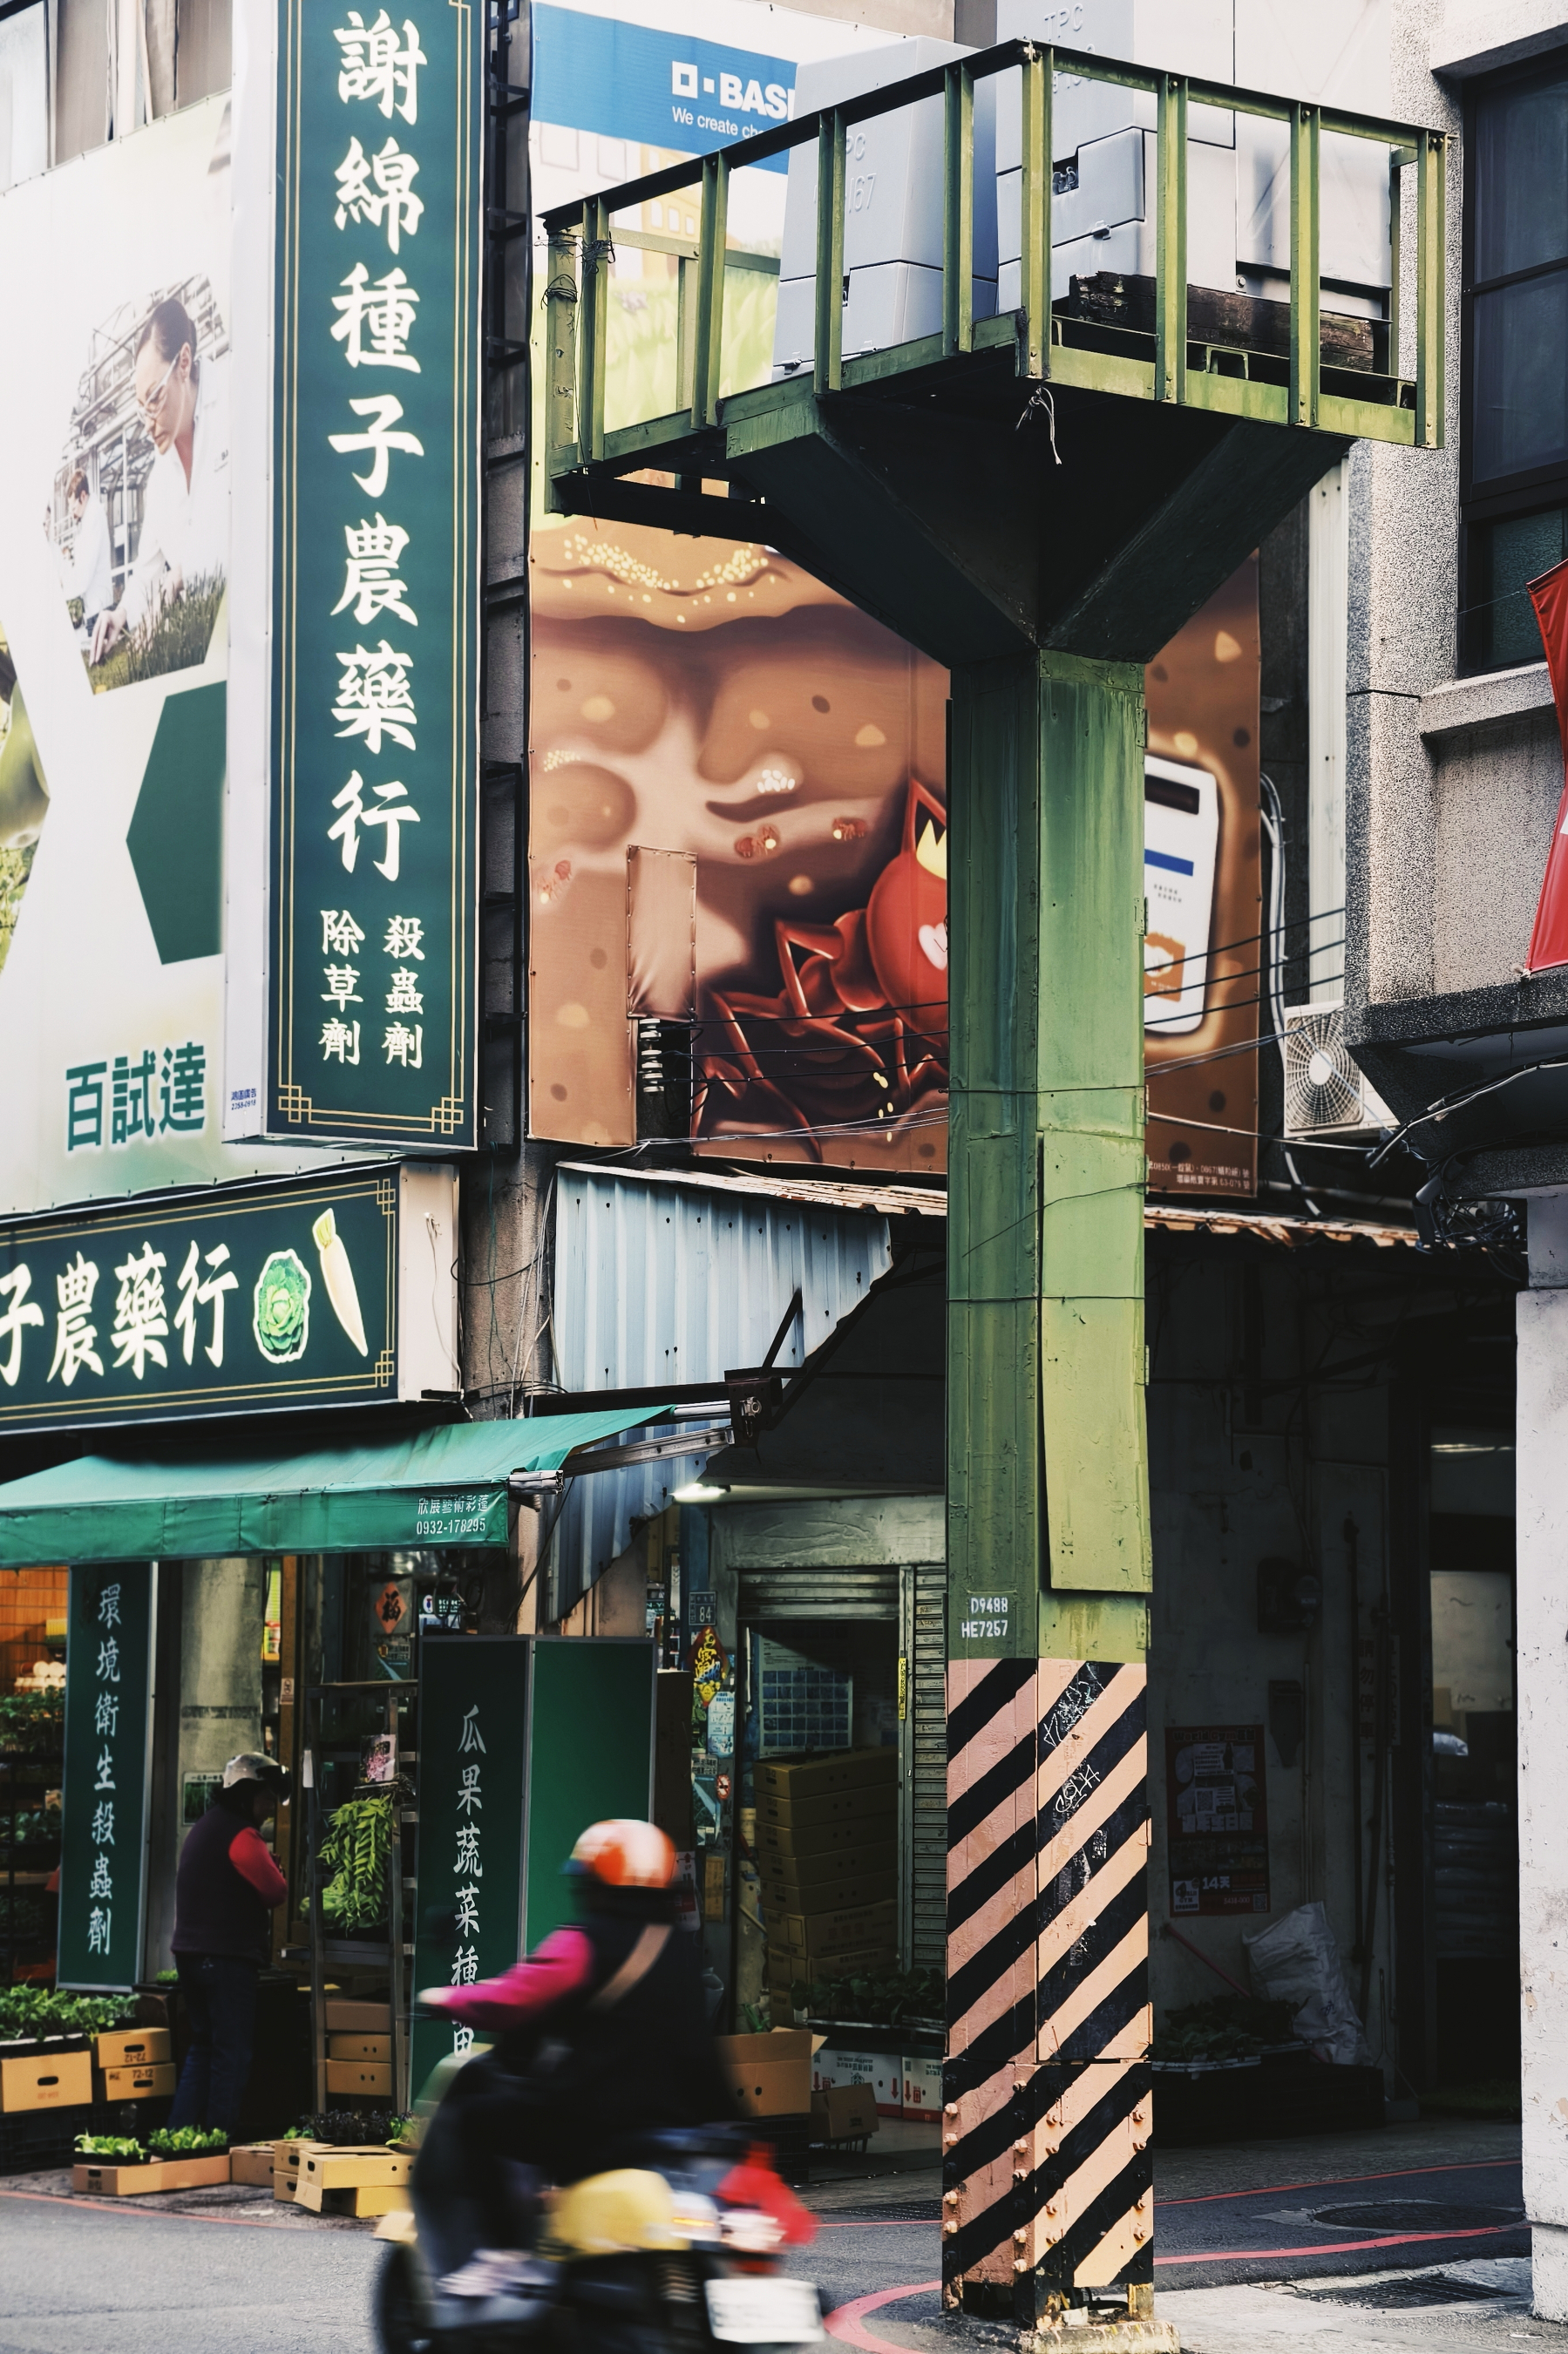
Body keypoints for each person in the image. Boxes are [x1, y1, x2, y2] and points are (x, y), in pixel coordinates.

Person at [417, 1819, 736, 2258]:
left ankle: (496, 2258)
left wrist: (446, 1998)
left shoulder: (586, 1942)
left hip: (592, 2122)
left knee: (473, 2119)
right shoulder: (683, 1950)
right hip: (680, 2124)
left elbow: (515, 1996)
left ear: (595, 1884)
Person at [91, 294, 229, 664]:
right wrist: (119, 615)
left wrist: (182, 574)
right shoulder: (160, 477)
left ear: (184, 362)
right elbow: (147, 571)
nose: (149, 422)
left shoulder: (235, 406)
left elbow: (263, 529)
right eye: (142, 408)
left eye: (154, 398)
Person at [166, 1753, 290, 2140]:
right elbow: (275, 1890)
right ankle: (219, 2139)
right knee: (231, 2053)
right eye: (266, 1799)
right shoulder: (241, 1835)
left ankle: (179, 2137)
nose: (270, 1808)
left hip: (190, 1955)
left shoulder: (205, 1826)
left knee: (204, 2046)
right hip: (224, 1959)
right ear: (246, 1794)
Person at [58, 470, 112, 641]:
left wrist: (62, 588)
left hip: (98, 606)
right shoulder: (88, 517)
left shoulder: (93, 517)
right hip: (94, 603)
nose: (73, 514)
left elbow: (84, 574)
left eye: (74, 507)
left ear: (83, 496)